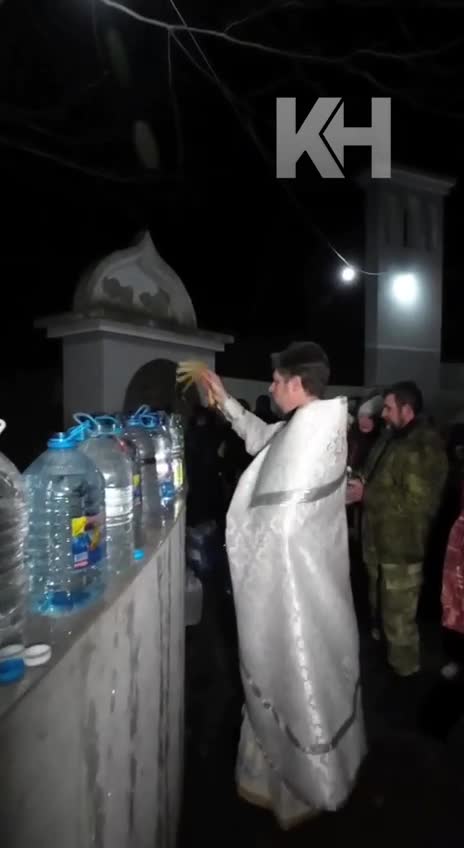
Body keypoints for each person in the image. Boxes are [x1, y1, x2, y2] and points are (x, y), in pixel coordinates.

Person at [201, 342, 365, 830]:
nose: (270, 387)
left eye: (276, 380)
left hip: (295, 593)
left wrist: (244, 545)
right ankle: (276, 777)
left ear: (296, 383)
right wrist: (225, 402)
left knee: (294, 675)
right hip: (311, 587)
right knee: (302, 676)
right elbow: (262, 439)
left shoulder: (311, 433)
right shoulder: (308, 425)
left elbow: (283, 524)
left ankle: (301, 787)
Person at [347, 381, 448, 677]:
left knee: (399, 619)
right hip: (378, 542)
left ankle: (405, 674)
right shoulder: (391, 437)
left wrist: (367, 494)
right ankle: (386, 663)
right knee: (380, 609)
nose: (383, 414)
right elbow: (376, 475)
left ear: (407, 409)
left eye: (389, 408)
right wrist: (359, 480)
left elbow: (419, 503)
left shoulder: (425, 446)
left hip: (401, 548)